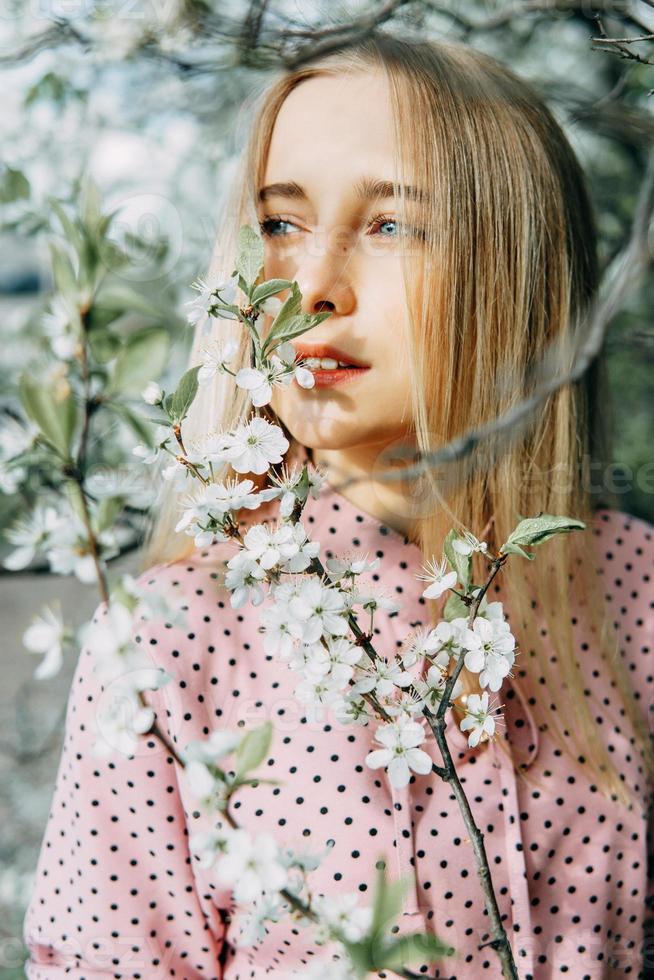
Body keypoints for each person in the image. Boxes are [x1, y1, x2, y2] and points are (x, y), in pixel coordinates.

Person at [23, 31, 654, 980]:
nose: (310, 288)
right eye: (280, 225)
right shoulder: (172, 642)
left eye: (392, 225)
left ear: (516, 270)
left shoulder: (632, 592)